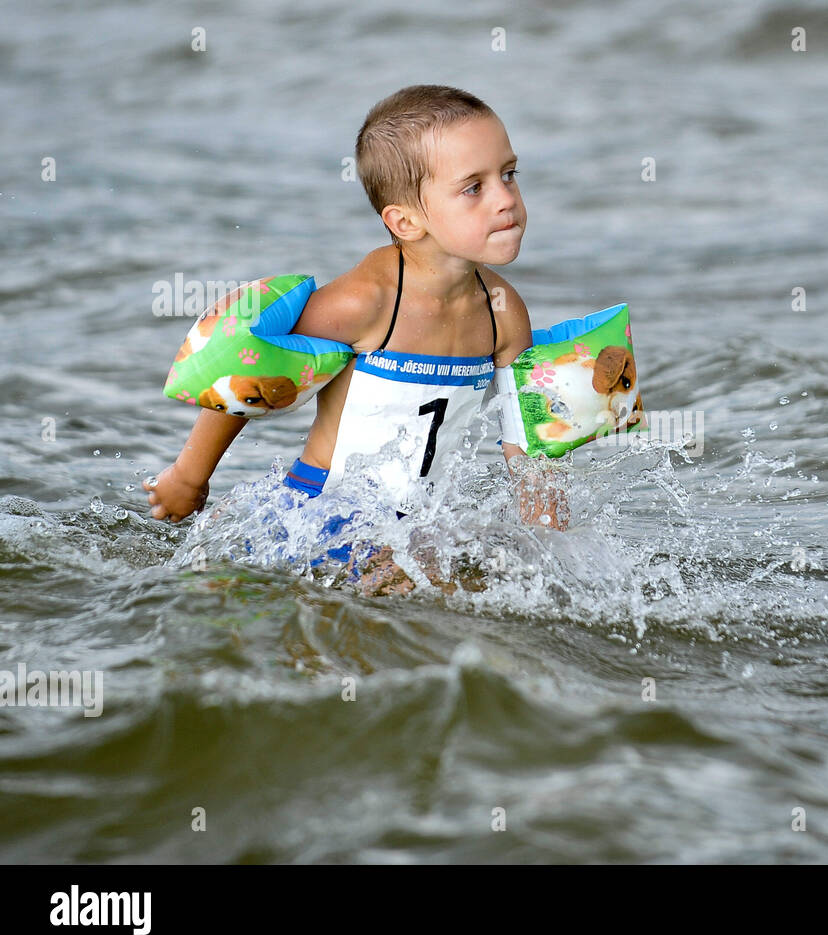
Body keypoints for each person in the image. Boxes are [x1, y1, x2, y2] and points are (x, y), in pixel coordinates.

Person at [142, 85, 567, 592]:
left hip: (412, 527)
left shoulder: (503, 314)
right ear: (405, 221)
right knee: (429, 586)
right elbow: (248, 374)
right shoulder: (365, 303)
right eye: (473, 187)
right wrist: (189, 478)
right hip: (317, 511)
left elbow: (529, 442)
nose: (506, 199)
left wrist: (550, 543)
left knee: (504, 574)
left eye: (509, 174)